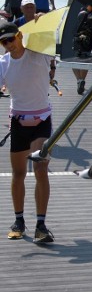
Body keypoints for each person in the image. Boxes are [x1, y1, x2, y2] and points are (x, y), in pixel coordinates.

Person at [0, 22, 56, 242]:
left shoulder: (40, 54)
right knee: (19, 174)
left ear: (20, 35)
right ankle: (19, 221)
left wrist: (41, 23)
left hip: (42, 120)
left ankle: (41, 225)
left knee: (40, 170)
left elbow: (50, 36)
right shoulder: (3, 64)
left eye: (11, 39)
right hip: (18, 122)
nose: (8, 45)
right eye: (3, 42)